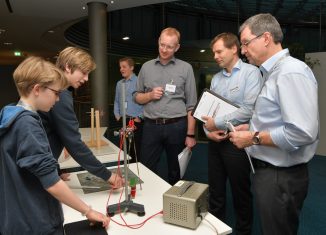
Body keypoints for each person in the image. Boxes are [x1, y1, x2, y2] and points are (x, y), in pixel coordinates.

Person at [228, 13, 319, 235]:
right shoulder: (274, 72)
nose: (242, 50)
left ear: (266, 38)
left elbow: (302, 132)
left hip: (280, 176)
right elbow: (276, 119)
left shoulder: (290, 72)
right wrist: (250, 129)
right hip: (273, 173)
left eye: (246, 43)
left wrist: (253, 138)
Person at [0, 56, 109, 235]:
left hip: (17, 218)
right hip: (36, 223)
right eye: (56, 93)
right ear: (37, 89)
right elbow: (52, 184)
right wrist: (88, 211)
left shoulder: (10, 115)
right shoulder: (27, 125)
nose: (58, 99)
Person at [202, 32, 263, 235]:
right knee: (216, 193)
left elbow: (248, 110)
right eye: (214, 53)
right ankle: (217, 231)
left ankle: (244, 231)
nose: (215, 56)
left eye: (219, 51)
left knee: (241, 193)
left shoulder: (251, 73)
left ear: (234, 49)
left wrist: (215, 123)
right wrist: (207, 131)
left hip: (238, 142)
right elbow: (207, 113)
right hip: (215, 143)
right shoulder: (216, 78)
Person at [39, 47, 124, 188]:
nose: (86, 79)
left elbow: (49, 131)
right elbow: (74, 144)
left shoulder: (52, 86)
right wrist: (108, 175)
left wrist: (55, 171)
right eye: (84, 73)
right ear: (67, 67)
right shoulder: (60, 93)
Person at [134, 27, 197, 185]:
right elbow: (136, 97)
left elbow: (192, 105)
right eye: (162, 45)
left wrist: (190, 135)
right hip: (151, 126)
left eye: (169, 46)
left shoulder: (186, 68)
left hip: (176, 126)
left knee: (176, 171)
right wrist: (149, 96)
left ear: (177, 47)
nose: (164, 49)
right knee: (146, 168)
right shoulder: (146, 67)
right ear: (158, 42)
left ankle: (173, 206)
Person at [114, 57, 143, 162]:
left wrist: (140, 117)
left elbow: (147, 101)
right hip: (123, 120)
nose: (121, 69)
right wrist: (117, 114)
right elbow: (116, 101)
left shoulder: (139, 81)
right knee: (124, 150)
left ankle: (135, 175)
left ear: (132, 67)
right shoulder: (119, 83)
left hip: (135, 120)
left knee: (135, 151)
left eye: (124, 67)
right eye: (120, 67)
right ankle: (126, 174)